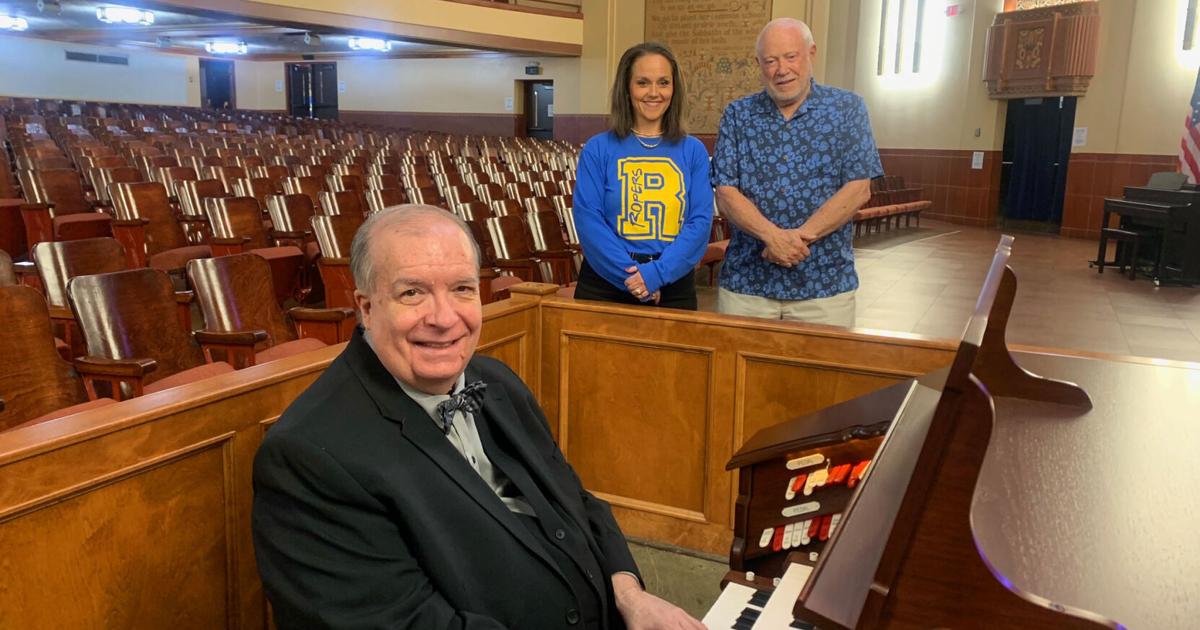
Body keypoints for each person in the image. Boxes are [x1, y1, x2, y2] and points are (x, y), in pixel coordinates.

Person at [252, 205, 704, 630]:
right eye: (413, 293)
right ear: (366, 308)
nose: (445, 318)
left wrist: (629, 595)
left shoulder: (495, 381)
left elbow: (576, 501)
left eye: (462, 289)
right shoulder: (310, 456)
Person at [711, 18, 882, 327]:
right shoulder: (738, 115)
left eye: (791, 57)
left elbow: (858, 188)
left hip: (824, 285)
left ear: (811, 53)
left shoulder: (848, 109)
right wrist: (771, 237)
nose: (781, 69)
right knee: (738, 361)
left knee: (821, 362)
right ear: (759, 64)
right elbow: (725, 192)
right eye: (770, 61)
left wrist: (792, 242)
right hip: (747, 286)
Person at [573, 42, 714, 310]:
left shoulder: (693, 150)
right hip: (606, 283)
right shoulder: (598, 148)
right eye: (642, 83)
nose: (654, 92)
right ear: (626, 89)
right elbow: (589, 219)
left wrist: (655, 275)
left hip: (673, 282)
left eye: (663, 83)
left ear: (674, 89)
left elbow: (699, 222)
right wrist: (632, 278)